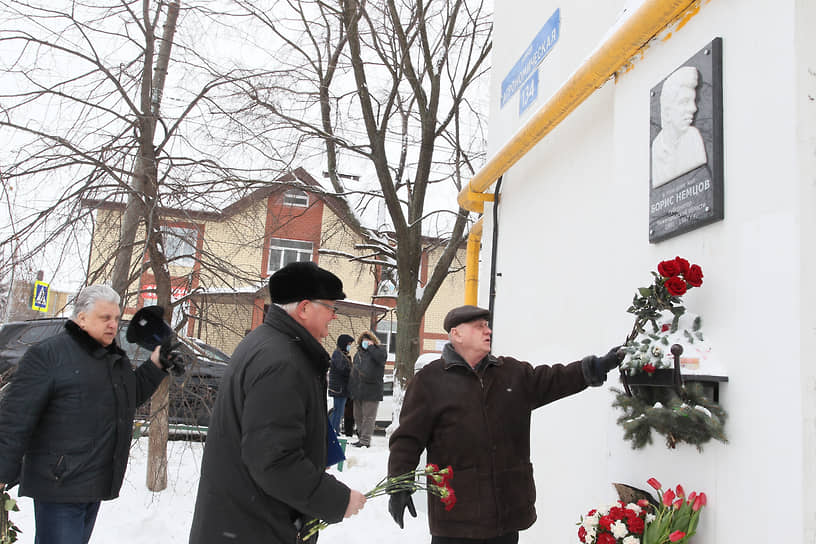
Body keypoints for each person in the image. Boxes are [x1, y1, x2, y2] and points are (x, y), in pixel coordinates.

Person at [387, 305, 622, 544]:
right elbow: (407, 439)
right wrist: (398, 485)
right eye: (479, 326)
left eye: (487, 325)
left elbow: (554, 379)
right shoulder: (430, 380)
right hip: (457, 516)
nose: (487, 331)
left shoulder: (511, 373)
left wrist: (596, 367)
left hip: (506, 512)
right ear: (456, 334)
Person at [188, 261, 367, 544]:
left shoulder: (270, 344)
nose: (334, 317)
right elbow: (273, 460)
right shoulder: (282, 362)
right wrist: (336, 499)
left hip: (245, 520)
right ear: (304, 308)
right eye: (331, 308)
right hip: (254, 526)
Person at [0, 285, 170, 544]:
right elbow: (15, 418)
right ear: (81, 318)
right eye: (105, 318)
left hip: (93, 482)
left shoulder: (114, 359)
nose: (113, 325)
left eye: (115, 318)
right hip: (59, 484)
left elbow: (128, 398)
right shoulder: (48, 355)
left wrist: (156, 365)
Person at [651, 65, 708, 188]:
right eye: (684, 102)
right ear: (667, 111)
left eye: (694, 101)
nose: (693, 108)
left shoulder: (694, 139)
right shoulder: (656, 147)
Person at [348, 330, 387, 448]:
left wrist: (371, 348)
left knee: (368, 417)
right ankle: (361, 438)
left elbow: (381, 358)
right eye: (363, 341)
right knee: (358, 416)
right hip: (358, 390)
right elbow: (354, 372)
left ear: (372, 341)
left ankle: (365, 441)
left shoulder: (379, 351)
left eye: (368, 340)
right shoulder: (359, 354)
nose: (365, 343)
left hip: (372, 390)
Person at [329, 334, 355, 434]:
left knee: (339, 411)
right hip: (339, 388)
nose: (349, 346)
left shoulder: (343, 354)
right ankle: (333, 431)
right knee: (338, 411)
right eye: (348, 344)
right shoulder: (338, 354)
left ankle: (335, 430)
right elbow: (343, 369)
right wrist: (352, 370)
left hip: (342, 388)